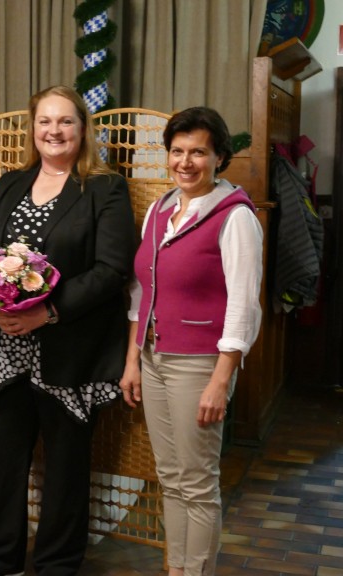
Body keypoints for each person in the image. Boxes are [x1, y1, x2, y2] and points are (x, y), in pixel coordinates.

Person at [0, 85, 136, 576]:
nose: (54, 131)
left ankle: (57, 565)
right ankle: (0, 560)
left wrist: (48, 313)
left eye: (65, 122)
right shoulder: (9, 184)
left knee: (64, 466)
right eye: (45, 121)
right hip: (5, 348)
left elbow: (110, 269)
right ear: (32, 128)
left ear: (83, 129)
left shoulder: (104, 187)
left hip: (68, 348)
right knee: (2, 462)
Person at [119, 107, 263, 576]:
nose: (186, 162)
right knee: (170, 478)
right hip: (154, 356)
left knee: (198, 484)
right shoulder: (160, 211)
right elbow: (141, 291)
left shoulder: (235, 216)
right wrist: (132, 360)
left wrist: (222, 379)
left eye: (198, 152)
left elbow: (243, 304)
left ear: (219, 156)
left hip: (200, 364)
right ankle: (177, 570)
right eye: (177, 151)